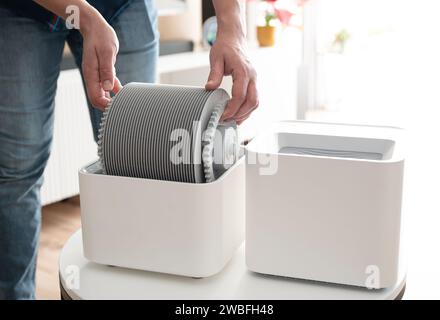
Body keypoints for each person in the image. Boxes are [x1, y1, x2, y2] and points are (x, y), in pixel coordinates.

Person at [0, 0, 258, 299]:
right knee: (18, 169)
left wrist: (231, 24)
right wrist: (83, 16)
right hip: (24, 9)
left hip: (122, 6)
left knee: (145, 154)